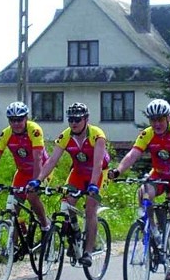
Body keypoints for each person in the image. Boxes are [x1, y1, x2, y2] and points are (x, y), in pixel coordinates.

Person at [107, 98, 170, 280]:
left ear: (169, 118)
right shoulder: (147, 134)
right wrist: (118, 170)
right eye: (153, 120)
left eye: (160, 119)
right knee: (143, 192)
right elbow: (133, 154)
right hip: (159, 174)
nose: (157, 124)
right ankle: (152, 229)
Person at [27, 102, 109, 267]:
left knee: (90, 208)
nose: (74, 123)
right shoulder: (65, 136)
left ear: (86, 119)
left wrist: (93, 185)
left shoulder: (97, 135)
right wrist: (38, 179)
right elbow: (52, 160)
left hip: (98, 174)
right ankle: (74, 234)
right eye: (71, 119)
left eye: (78, 119)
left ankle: (88, 252)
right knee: (66, 204)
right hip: (78, 173)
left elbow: (98, 164)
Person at [0, 101, 50, 230]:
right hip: (23, 172)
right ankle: (14, 247)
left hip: (41, 170)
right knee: (13, 208)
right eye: (13, 120)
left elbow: (38, 158)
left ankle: (45, 225)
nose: (16, 123)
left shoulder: (34, 130)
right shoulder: (6, 133)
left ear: (26, 118)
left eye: (19, 119)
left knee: (32, 197)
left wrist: (35, 182)